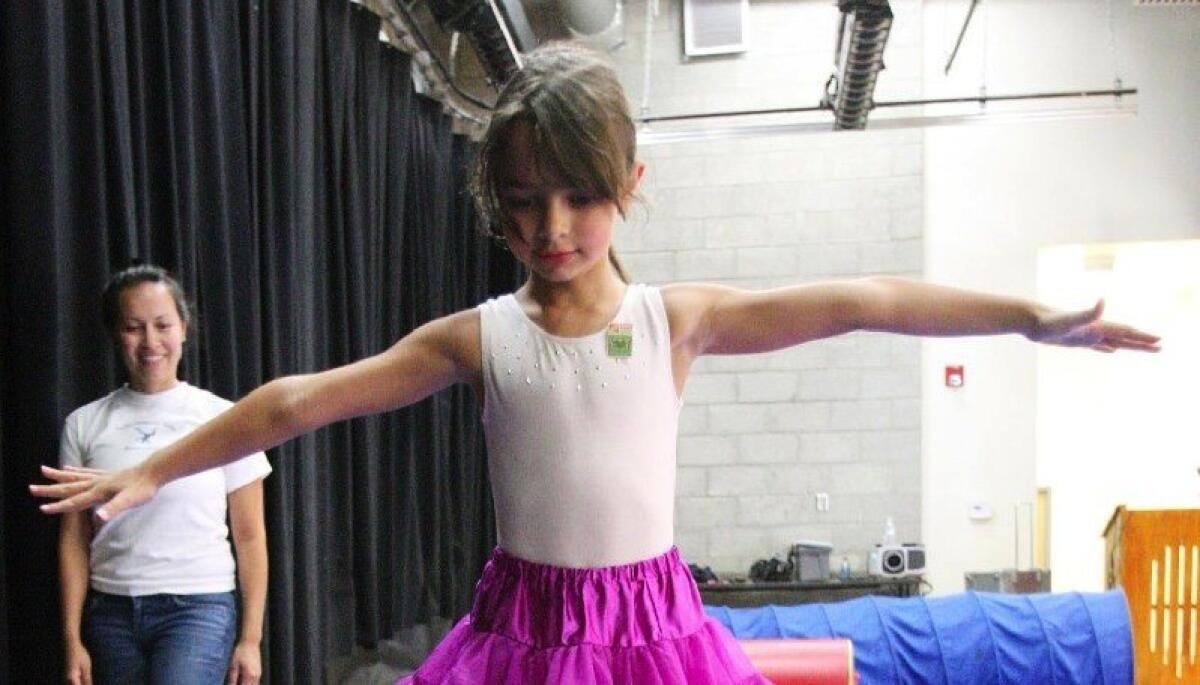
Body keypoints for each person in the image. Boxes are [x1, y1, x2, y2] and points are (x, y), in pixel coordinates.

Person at [33, 44, 1159, 683]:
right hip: (525, 628)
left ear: (629, 186)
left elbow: (865, 299)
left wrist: (1024, 315)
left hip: (654, 629)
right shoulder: (482, 336)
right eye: (523, 203)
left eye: (579, 196)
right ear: (497, 204)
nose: (553, 225)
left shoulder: (679, 319)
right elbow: (297, 402)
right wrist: (155, 467)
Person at [52, 265, 271, 685]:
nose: (150, 342)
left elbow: (250, 535)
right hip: (111, 612)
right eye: (134, 328)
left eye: (162, 325)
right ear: (117, 334)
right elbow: (74, 539)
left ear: (184, 329)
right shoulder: (84, 424)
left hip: (197, 608)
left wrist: (250, 639)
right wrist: (71, 639)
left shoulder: (224, 418)